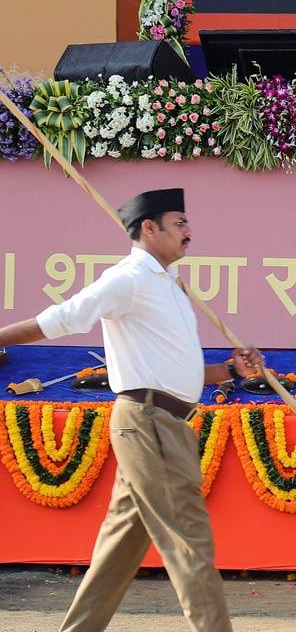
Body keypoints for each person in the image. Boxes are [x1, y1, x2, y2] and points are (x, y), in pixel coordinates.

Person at [0, 188, 265, 632]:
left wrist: (231, 371)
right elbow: (60, 319)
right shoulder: (127, 279)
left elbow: (177, 370)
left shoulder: (170, 286)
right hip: (147, 422)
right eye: (179, 224)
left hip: (165, 422)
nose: (188, 233)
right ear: (149, 228)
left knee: (120, 545)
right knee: (189, 539)